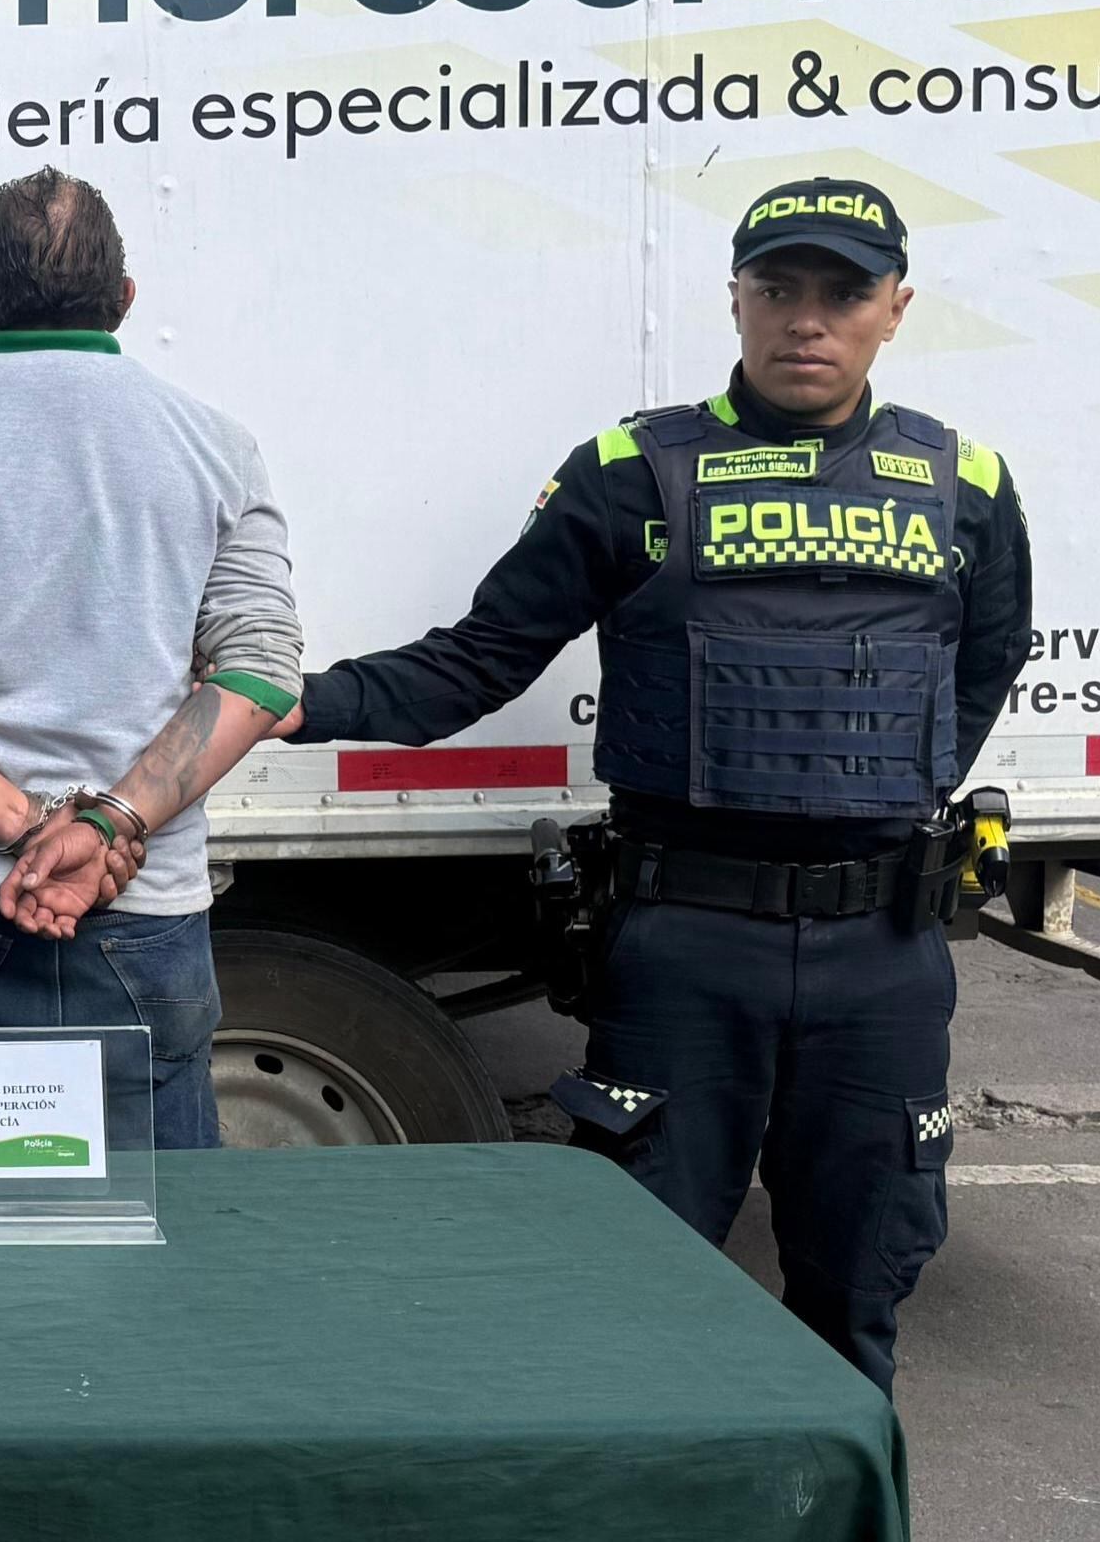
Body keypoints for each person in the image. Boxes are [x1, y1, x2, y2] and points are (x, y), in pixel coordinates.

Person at [290, 174, 1033, 1391]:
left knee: (857, 1297)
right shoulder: (629, 471)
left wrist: (874, 802)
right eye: (777, 288)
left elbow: (981, 670)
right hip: (684, 942)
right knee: (637, 1289)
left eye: (841, 291)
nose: (807, 318)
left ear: (893, 307)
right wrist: (290, 701)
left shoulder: (966, 485)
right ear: (732, 300)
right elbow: (475, 661)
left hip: (880, 954)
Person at [0, 167, 305, 1154]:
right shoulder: (214, 445)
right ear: (123, 300)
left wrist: (26, 824)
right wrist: (106, 824)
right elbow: (259, 673)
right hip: (138, 898)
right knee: (159, 1253)